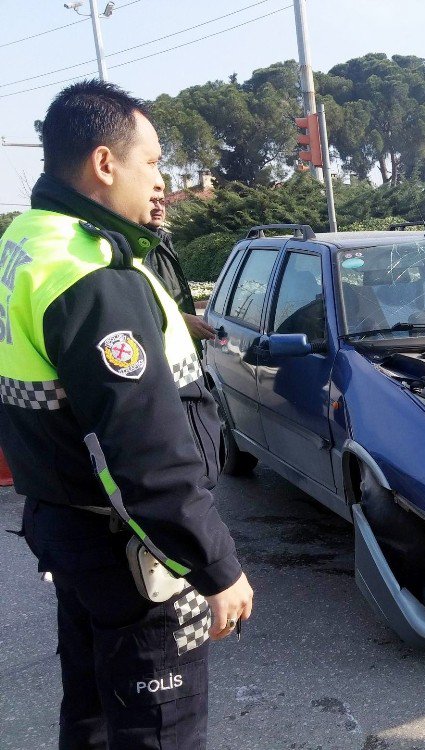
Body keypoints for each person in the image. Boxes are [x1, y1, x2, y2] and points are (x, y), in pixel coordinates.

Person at [0, 80, 253, 747]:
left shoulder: (27, 244)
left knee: (90, 715)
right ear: (105, 163)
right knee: (156, 731)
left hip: (67, 527)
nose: (161, 180)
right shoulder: (92, 273)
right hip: (136, 553)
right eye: (153, 161)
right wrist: (217, 566)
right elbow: (144, 449)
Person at [145, 198, 217, 343]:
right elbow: (138, 304)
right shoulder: (132, 246)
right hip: (159, 345)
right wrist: (180, 320)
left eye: (162, 201)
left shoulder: (162, 240)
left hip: (180, 346)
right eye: (152, 201)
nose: (159, 207)